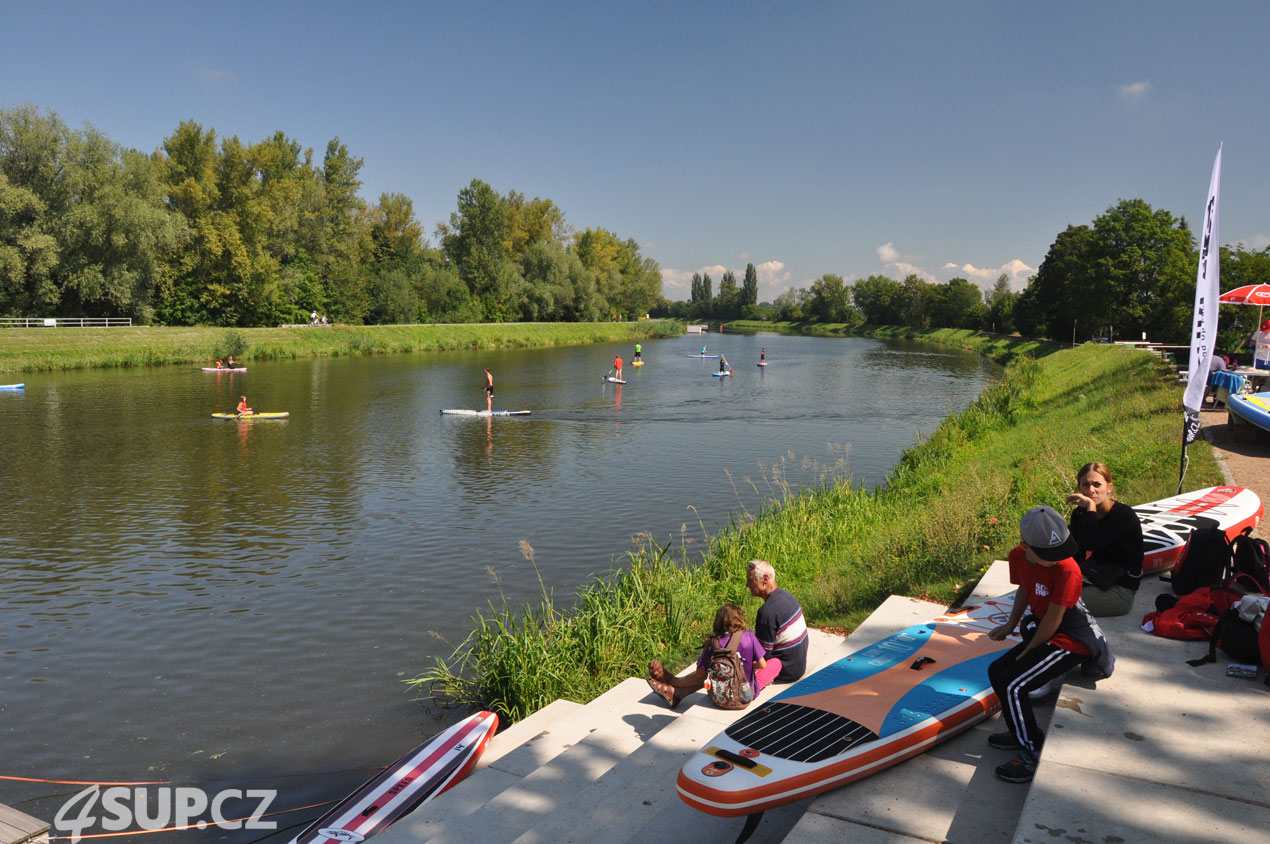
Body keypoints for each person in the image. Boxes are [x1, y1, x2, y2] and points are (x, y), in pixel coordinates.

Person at [987, 506, 1114, 783]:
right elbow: (1024, 588)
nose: (1059, 557)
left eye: (1061, 550)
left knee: (1014, 683)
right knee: (996, 671)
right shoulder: (1018, 557)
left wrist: (1027, 653)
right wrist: (1010, 625)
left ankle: (1031, 752)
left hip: (1071, 638)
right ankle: (1018, 729)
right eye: (1050, 554)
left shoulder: (1068, 569)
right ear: (1026, 547)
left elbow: (1054, 621)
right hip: (1048, 630)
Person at [646, 603, 775, 709]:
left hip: (719, 698)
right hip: (746, 696)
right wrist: (746, 665)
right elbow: (763, 665)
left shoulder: (714, 643)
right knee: (776, 662)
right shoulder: (749, 636)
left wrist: (706, 649)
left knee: (708, 677)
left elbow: (699, 675)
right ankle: (674, 688)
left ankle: (673, 686)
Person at [1066, 463, 1143, 616]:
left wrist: (1090, 507)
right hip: (1093, 578)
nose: (1091, 490)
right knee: (1046, 590)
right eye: (1085, 485)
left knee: (1059, 601)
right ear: (1079, 488)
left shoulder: (1123, 516)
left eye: (1097, 484)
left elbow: (1093, 543)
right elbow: (1076, 554)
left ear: (1109, 487)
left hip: (1120, 590)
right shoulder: (1080, 514)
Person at [747, 559, 808, 683]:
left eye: (750, 580)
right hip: (798, 664)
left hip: (786, 671)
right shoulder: (787, 596)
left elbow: (762, 656)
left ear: (765, 579)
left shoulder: (767, 612)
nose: (747, 585)